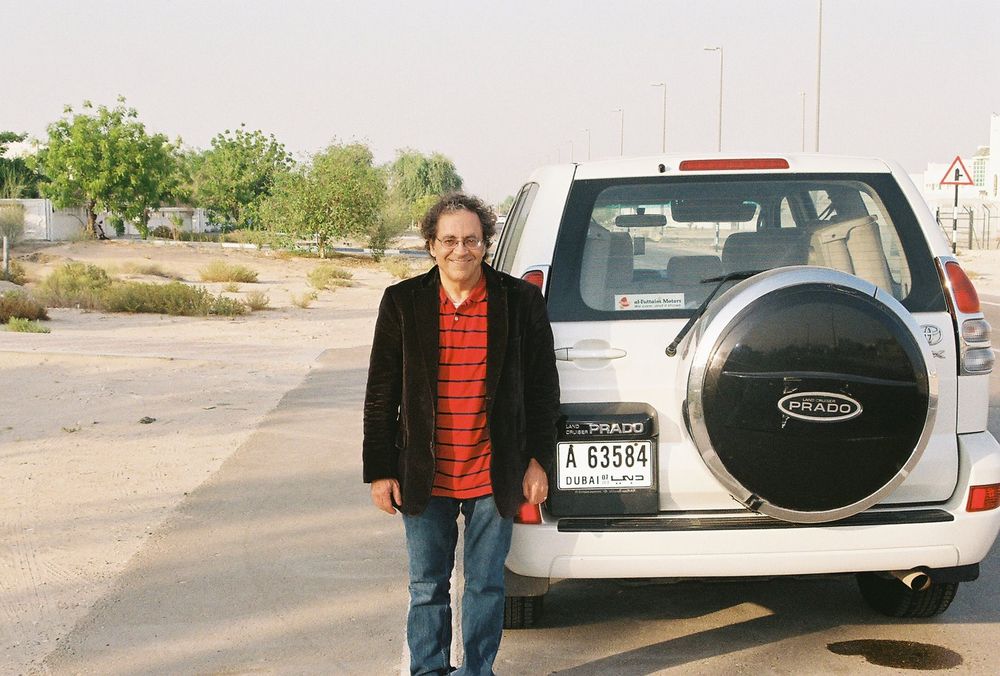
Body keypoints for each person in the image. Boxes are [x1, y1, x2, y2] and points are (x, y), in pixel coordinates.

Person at [363, 192, 560, 675]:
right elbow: (381, 391)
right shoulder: (403, 302)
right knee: (426, 585)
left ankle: (477, 671)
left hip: (495, 470)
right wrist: (381, 470)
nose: (460, 250)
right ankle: (428, 670)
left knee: (486, 584)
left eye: (471, 239)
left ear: (486, 244)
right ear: (431, 245)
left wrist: (539, 460)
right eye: (448, 240)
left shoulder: (519, 300)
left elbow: (542, 388)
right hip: (422, 473)